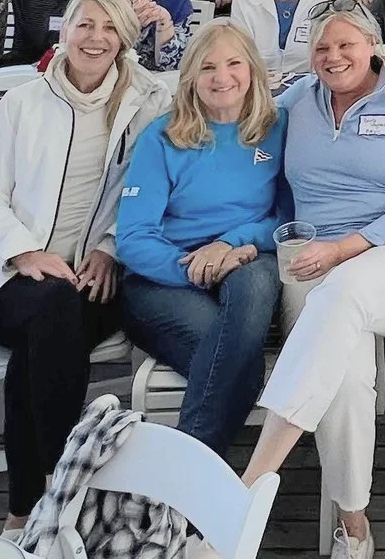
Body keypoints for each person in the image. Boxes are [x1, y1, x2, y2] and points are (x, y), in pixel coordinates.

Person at [0, 0, 170, 532]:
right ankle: (61, 487)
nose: (95, 38)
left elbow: (154, 191)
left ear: (126, 38)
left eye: (110, 28)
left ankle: (25, 507)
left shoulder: (149, 102)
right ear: (65, 30)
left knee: (52, 326)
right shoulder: (22, 103)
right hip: (12, 281)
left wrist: (109, 248)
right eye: (85, 25)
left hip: (97, 280)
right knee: (53, 308)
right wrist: (24, 251)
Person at [242, 2, 385, 559]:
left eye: (345, 45)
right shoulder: (296, 101)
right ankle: (354, 524)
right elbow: (245, 138)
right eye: (321, 48)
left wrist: (343, 249)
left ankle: (247, 490)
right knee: (349, 378)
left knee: (342, 290)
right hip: (311, 261)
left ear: (373, 48)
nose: (333, 57)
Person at [115, 24, 288, 453]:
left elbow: (288, 218)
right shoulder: (162, 136)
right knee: (238, 361)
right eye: (208, 67)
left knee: (255, 286)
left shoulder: (279, 126)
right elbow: (133, 237)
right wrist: (194, 268)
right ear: (190, 76)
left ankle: (181, 478)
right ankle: (195, 474)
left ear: (253, 70)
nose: (221, 77)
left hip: (247, 256)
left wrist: (231, 244)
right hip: (166, 275)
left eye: (233, 64)